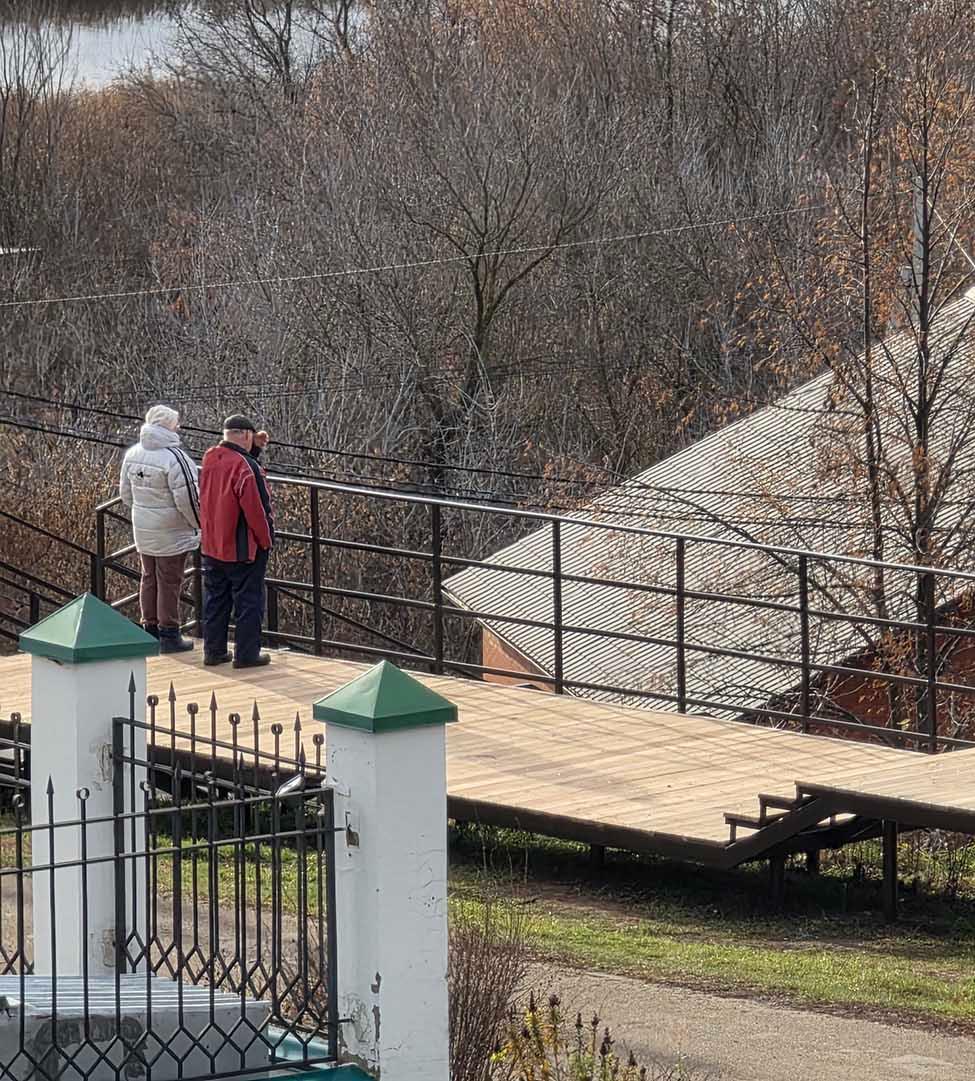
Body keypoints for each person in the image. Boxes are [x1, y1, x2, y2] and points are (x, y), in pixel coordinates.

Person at [119, 404, 200, 652]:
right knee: (170, 580)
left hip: (143, 527)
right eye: (176, 423)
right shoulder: (175, 458)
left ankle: (150, 628)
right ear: (168, 427)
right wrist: (199, 526)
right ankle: (169, 633)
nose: (179, 427)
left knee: (149, 577)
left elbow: (125, 494)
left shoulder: (133, 453)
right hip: (172, 530)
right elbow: (189, 500)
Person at [199, 415, 274, 669]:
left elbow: (239, 459)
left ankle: (214, 651)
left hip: (212, 543)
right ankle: (247, 654)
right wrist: (266, 541)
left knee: (216, 600)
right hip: (242, 548)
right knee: (248, 601)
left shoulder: (210, 457)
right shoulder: (246, 468)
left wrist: (255, 448)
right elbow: (257, 510)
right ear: (246, 435)